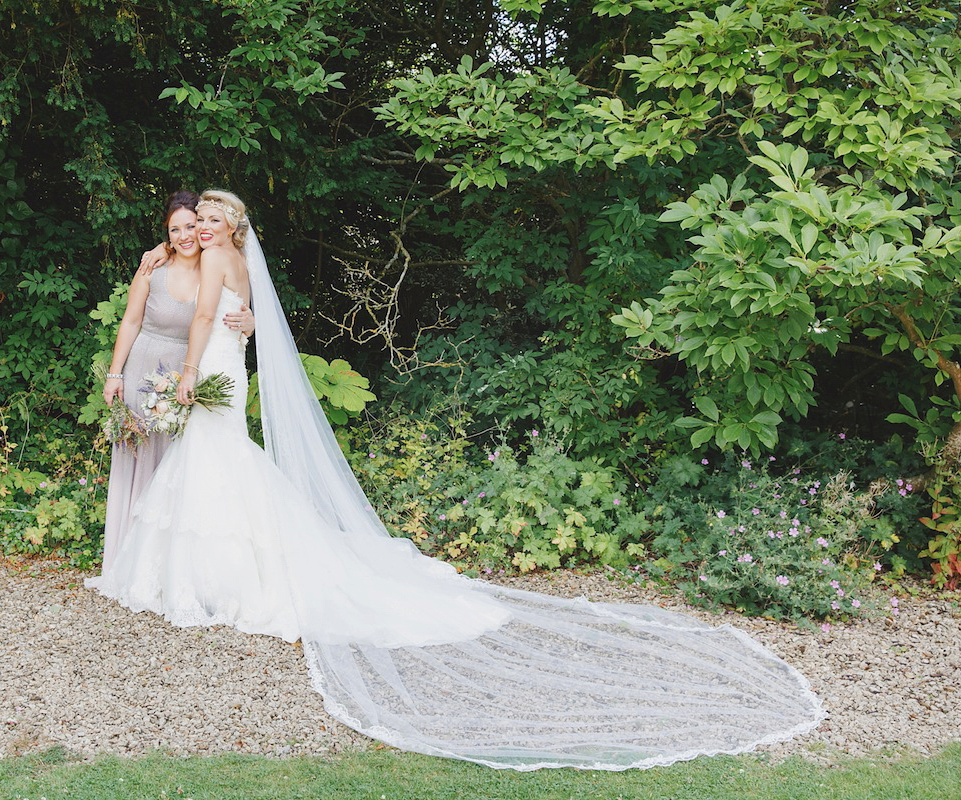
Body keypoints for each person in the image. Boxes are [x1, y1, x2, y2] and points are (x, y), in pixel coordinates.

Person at [88, 190, 825, 770]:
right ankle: (220, 572)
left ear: (230, 225)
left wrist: (191, 370)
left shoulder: (222, 260)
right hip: (219, 363)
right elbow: (235, 315)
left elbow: (214, 317)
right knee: (221, 464)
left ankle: (213, 581)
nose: (207, 226)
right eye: (201, 218)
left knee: (220, 464)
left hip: (206, 367)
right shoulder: (226, 257)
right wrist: (223, 330)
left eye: (214, 218)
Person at [98, 190, 254, 572]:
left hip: (188, 372)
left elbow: (227, 312)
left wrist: (249, 325)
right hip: (143, 370)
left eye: (195, 224)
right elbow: (130, 321)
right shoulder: (155, 265)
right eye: (178, 229)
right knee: (138, 456)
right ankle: (126, 557)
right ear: (167, 234)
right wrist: (115, 374)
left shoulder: (212, 260)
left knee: (180, 462)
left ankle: (167, 565)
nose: (190, 233)